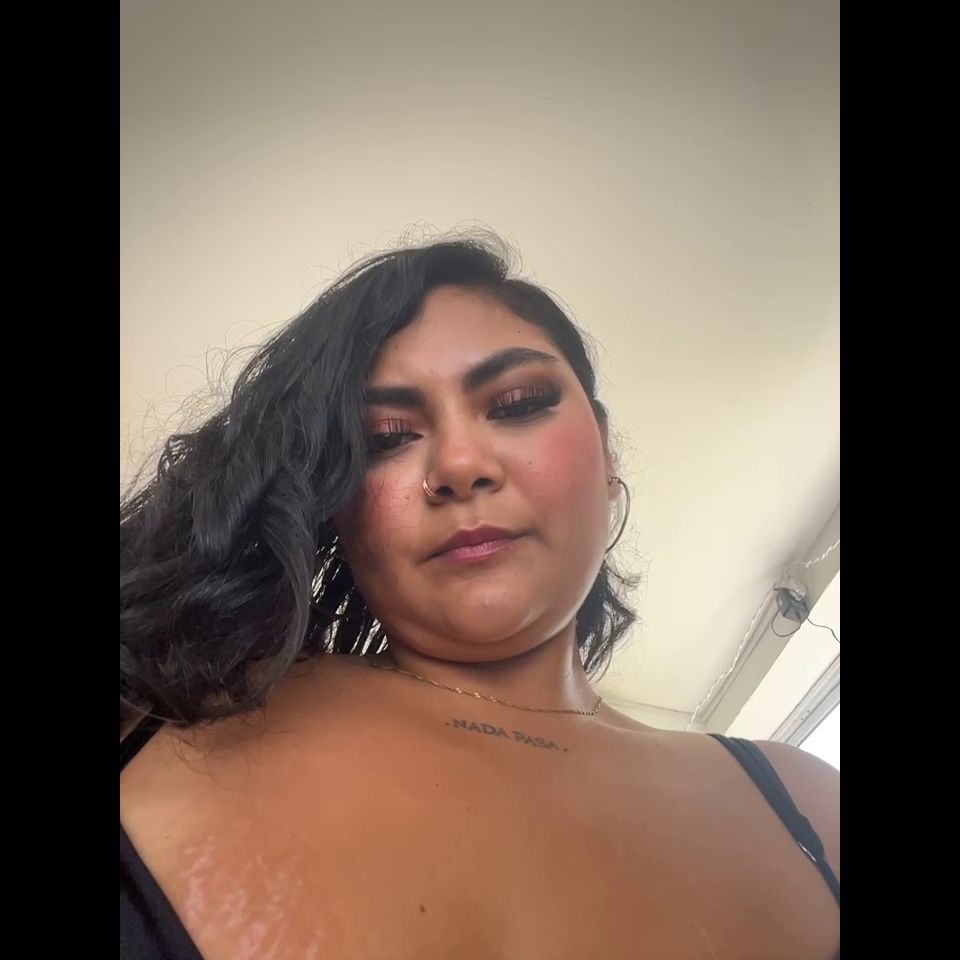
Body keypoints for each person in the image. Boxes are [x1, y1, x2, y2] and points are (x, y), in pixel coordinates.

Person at [120, 235, 840, 959]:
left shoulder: (808, 806)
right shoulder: (164, 707)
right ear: (333, 498)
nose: (459, 465)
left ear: (606, 452)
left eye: (518, 403)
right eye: (384, 439)